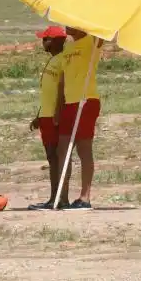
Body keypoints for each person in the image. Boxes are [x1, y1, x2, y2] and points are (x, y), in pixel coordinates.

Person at [54, 26, 104, 211]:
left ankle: (85, 197)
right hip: (69, 103)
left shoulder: (92, 41)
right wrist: (59, 107)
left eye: (71, 22)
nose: (67, 26)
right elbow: (63, 79)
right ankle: (62, 197)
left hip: (86, 101)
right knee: (63, 149)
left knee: (84, 149)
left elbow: (105, 29)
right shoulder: (68, 47)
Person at [28, 25, 68, 210]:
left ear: (56, 41)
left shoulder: (63, 60)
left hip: (54, 116)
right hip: (45, 115)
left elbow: (62, 90)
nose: (43, 42)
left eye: (46, 39)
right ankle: (55, 197)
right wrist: (38, 116)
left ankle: (57, 198)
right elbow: (48, 92)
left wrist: (57, 113)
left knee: (55, 157)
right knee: (51, 157)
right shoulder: (53, 60)